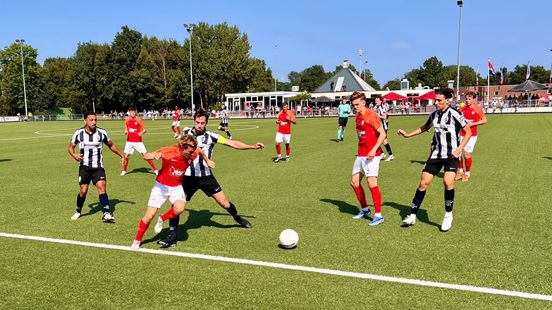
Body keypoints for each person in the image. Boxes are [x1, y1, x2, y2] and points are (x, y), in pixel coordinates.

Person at [158, 109, 265, 248]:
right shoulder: (185, 134)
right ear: (193, 121)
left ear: (206, 123)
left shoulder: (212, 136)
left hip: (206, 177)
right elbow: (175, 150)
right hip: (188, 178)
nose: (199, 125)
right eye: (197, 122)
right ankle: (172, 235)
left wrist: (252, 146)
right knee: (176, 206)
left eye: (202, 123)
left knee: (225, 204)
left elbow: (232, 143)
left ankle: (237, 217)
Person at [397, 88, 471, 232]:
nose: (435, 103)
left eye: (439, 100)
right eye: (435, 100)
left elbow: (467, 131)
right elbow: (425, 127)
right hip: (436, 154)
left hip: (451, 155)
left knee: (448, 182)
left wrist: (459, 149)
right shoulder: (434, 114)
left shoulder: (455, 113)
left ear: (448, 100)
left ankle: (448, 215)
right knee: (423, 183)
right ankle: (412, 215)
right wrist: (408, 135)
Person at [131, 135, 215, 250]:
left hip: (177, 186)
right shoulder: (169, 152)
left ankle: (162, 218)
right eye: (190, 152)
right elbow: (146, 156)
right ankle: (137, 240)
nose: (192, 154)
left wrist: (207, 160)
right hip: (161, 186)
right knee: (149, 216)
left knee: (180, 208)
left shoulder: (193, 152)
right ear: (183, 147)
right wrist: (154, 155)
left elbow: (199, 150)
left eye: (192, 152)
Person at [68, 111, 125, 222]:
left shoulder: (101, 132)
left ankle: (106, 213)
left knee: (102, 187)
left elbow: (111, 145)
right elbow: (70, 148)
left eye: (95, 120)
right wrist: (74, 154)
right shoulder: (78, 133)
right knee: (83, 191)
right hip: (84, 167)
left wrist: (121, 155)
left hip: (98, 167)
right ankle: (78, 210)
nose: (94, 122)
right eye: (91, 120)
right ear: (85, 120)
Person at [349, 91, 387, 226]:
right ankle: (365, 209)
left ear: (364, 102)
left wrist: (373, 149)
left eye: (357, 104)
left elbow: (382, 134)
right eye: (353, 105)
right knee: (354, 182)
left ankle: (378, 215)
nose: (355, 107)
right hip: (361, 153)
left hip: (372, 154)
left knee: (372, 183)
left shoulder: (371, 115)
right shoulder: (358, 115)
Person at [455, 91, 487, 182]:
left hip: (472, 135)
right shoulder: (462, 109)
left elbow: (484, 121)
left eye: (469, 99)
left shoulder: (478, 109)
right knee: (458, 153)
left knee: (466, 154)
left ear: (474, 99)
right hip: (461, 134)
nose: (467, 101)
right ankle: (460, 172)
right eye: (466, 99)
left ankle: (467, 173)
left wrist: (473, 123)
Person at [121, 107, 158, 176]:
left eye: (133, 111)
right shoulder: (127, 119)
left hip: (138, 142)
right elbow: (126, 128)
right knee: (126, 156)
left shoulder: (139, 120)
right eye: (131, 111)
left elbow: (144, 130)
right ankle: (124, 171)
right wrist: (125, 131)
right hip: (129, 141)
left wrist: (141, 133)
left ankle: (155, 170)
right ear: (129, 112)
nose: (132, 113)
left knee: (146, 156)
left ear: (135, 112)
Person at [373, 96, 395, 161]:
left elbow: (385, 117)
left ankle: (391, 155)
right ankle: (382, 154)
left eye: (377, 101)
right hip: (377, 127)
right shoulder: (375, 107)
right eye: (375, 100)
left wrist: (378, 116)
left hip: (383, 127)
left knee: (384, 141)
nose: (376, 102)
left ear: (381, 101)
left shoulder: (381, 108)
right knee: (375, 140)